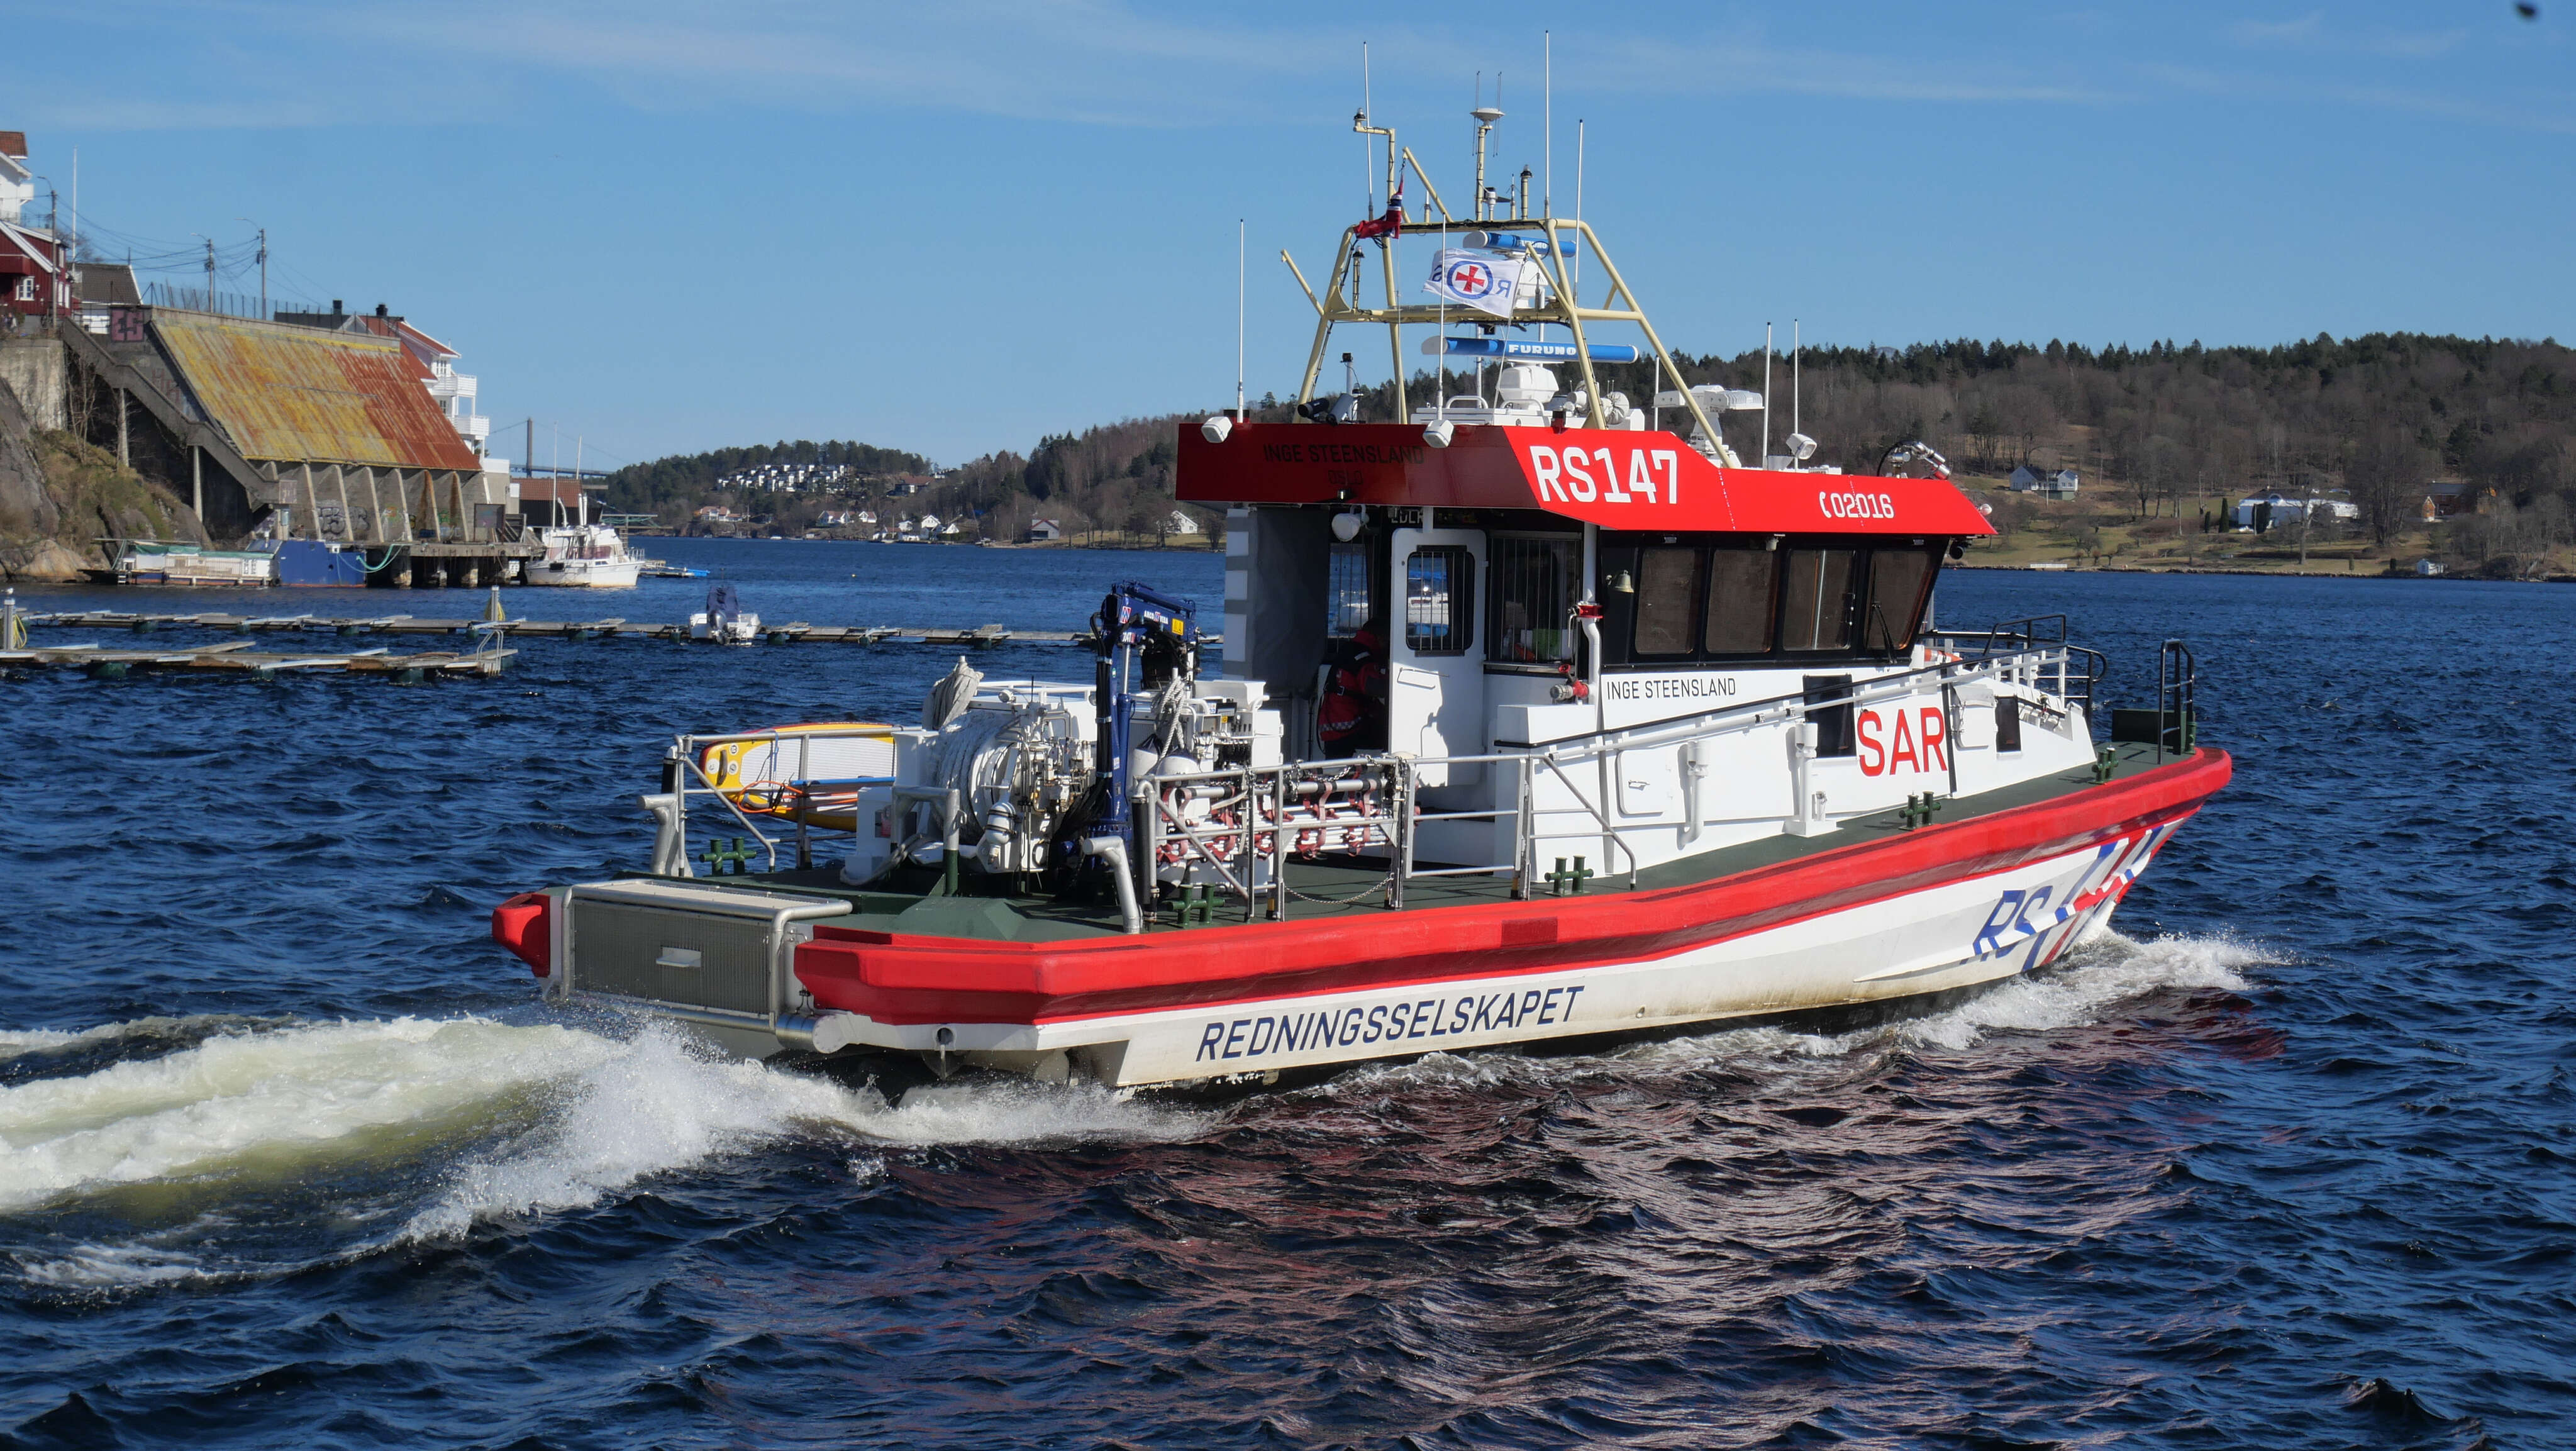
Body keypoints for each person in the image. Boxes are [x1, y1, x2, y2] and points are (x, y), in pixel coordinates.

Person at [1317, 621, 1389, 756]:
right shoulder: (1363, 656)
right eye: (1386, 642)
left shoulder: (1350, 648)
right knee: (1391, 731)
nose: (1386, 647)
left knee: (1337, 765)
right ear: (1379, 638)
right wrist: (1390, 679)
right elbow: (1375, 688)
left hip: (1333, 721)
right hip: (1346, 724)